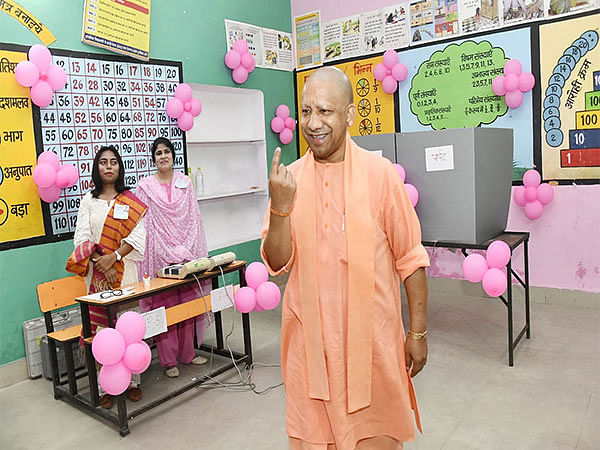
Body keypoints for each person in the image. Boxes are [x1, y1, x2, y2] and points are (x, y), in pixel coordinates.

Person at [261, 67, 430, 450]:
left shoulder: (380, 175)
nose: (313, 123)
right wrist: (280, 209)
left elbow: (410, 258)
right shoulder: (289, 179)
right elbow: (276, 262)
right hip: (311, 351)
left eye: (325, 111)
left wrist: (417, 332)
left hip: (373, 348)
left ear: (350, 115)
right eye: (306, 112)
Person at [66, 145, 147, 408]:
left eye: (113, 162)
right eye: (103, 162)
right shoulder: (87, 202)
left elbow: (138, 236)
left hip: (126, 275)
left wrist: (116, 257)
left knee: (128, 326)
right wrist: (102, 263)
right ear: (97, 167)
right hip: (98, 276)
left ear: (120, 167)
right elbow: (82, 238)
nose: (109, 166)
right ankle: (105, 385)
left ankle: (133, 381)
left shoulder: (130, 201)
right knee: (103, 332)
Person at [136, 137, 211, 378]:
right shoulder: (145, 186)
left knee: (188, 303)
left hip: (187, 254)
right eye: (158, 153)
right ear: (153, 158)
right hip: (160, 257)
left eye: (167, 151)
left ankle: (188, 354)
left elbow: (193, 218)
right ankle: (169, 361)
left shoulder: (185, 182)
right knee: (165, 308)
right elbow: (147, 224)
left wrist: (187, 250)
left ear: (173, 155)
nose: (163, 156)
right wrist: (165, 251)